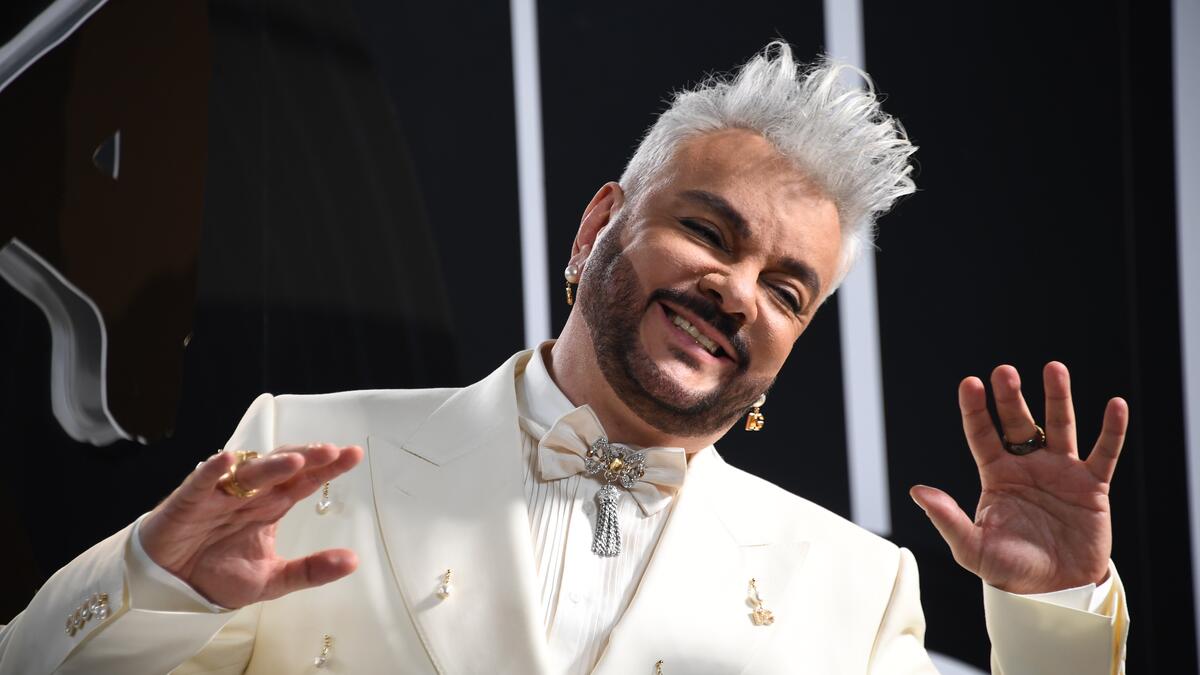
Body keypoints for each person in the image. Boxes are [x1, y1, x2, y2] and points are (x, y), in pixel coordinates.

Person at [0, 42, 1128, 674]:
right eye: (710, 232)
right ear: (598, 227)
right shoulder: (308, 448)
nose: (738, 292)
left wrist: (1056, 613)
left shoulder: (853, 585)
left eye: (788, 290)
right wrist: (152, 586)